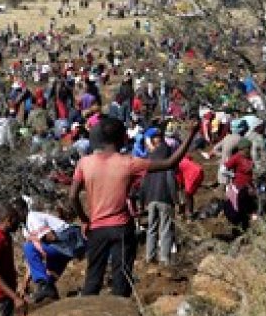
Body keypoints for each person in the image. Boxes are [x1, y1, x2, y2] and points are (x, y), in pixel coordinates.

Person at [69, 116, 198, 297]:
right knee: (122, 280)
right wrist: (191, 134)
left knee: (93, 279)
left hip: (97, 229)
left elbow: (73, 196)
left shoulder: (85, 163)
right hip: (122, 227)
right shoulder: (129, 162)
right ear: (121, 138)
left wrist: (85, 220)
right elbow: (170, 163)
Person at [12, 198, 84, 303]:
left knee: (28, 246)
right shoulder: (25, 229)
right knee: (48, 281)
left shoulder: (33, 218)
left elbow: (51, 237)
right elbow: (32, 260)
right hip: (58, 247)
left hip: (67, 240)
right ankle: (50, 294)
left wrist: (40, 245)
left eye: (16, 213)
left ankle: (45, 286)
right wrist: (25, 283)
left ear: (23, 210)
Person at [140, 128, 176, 265]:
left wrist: (142, 201)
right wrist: (175, 199)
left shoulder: (150, 163)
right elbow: (171, 182)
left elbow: (144, 183)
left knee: (151, 227)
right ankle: (164, 258)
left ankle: (150, 256)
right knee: (165, 228)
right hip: (164, 198)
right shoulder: (167, 163)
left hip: (151, 199)